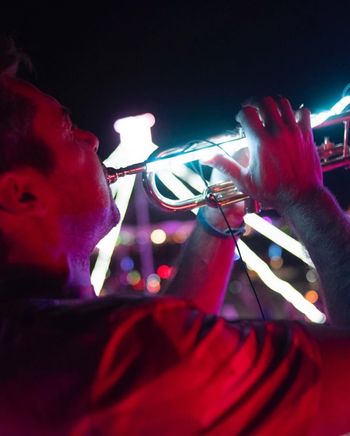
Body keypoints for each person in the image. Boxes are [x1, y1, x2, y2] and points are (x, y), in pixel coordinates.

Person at [0, 38, 349, 435]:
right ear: (19, 194)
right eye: (66, 129)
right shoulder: (119, 356)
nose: (91, 139)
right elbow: (165, 351)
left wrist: (221, 211)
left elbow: (175, 347)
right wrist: (305, 196)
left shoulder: (31, 343)